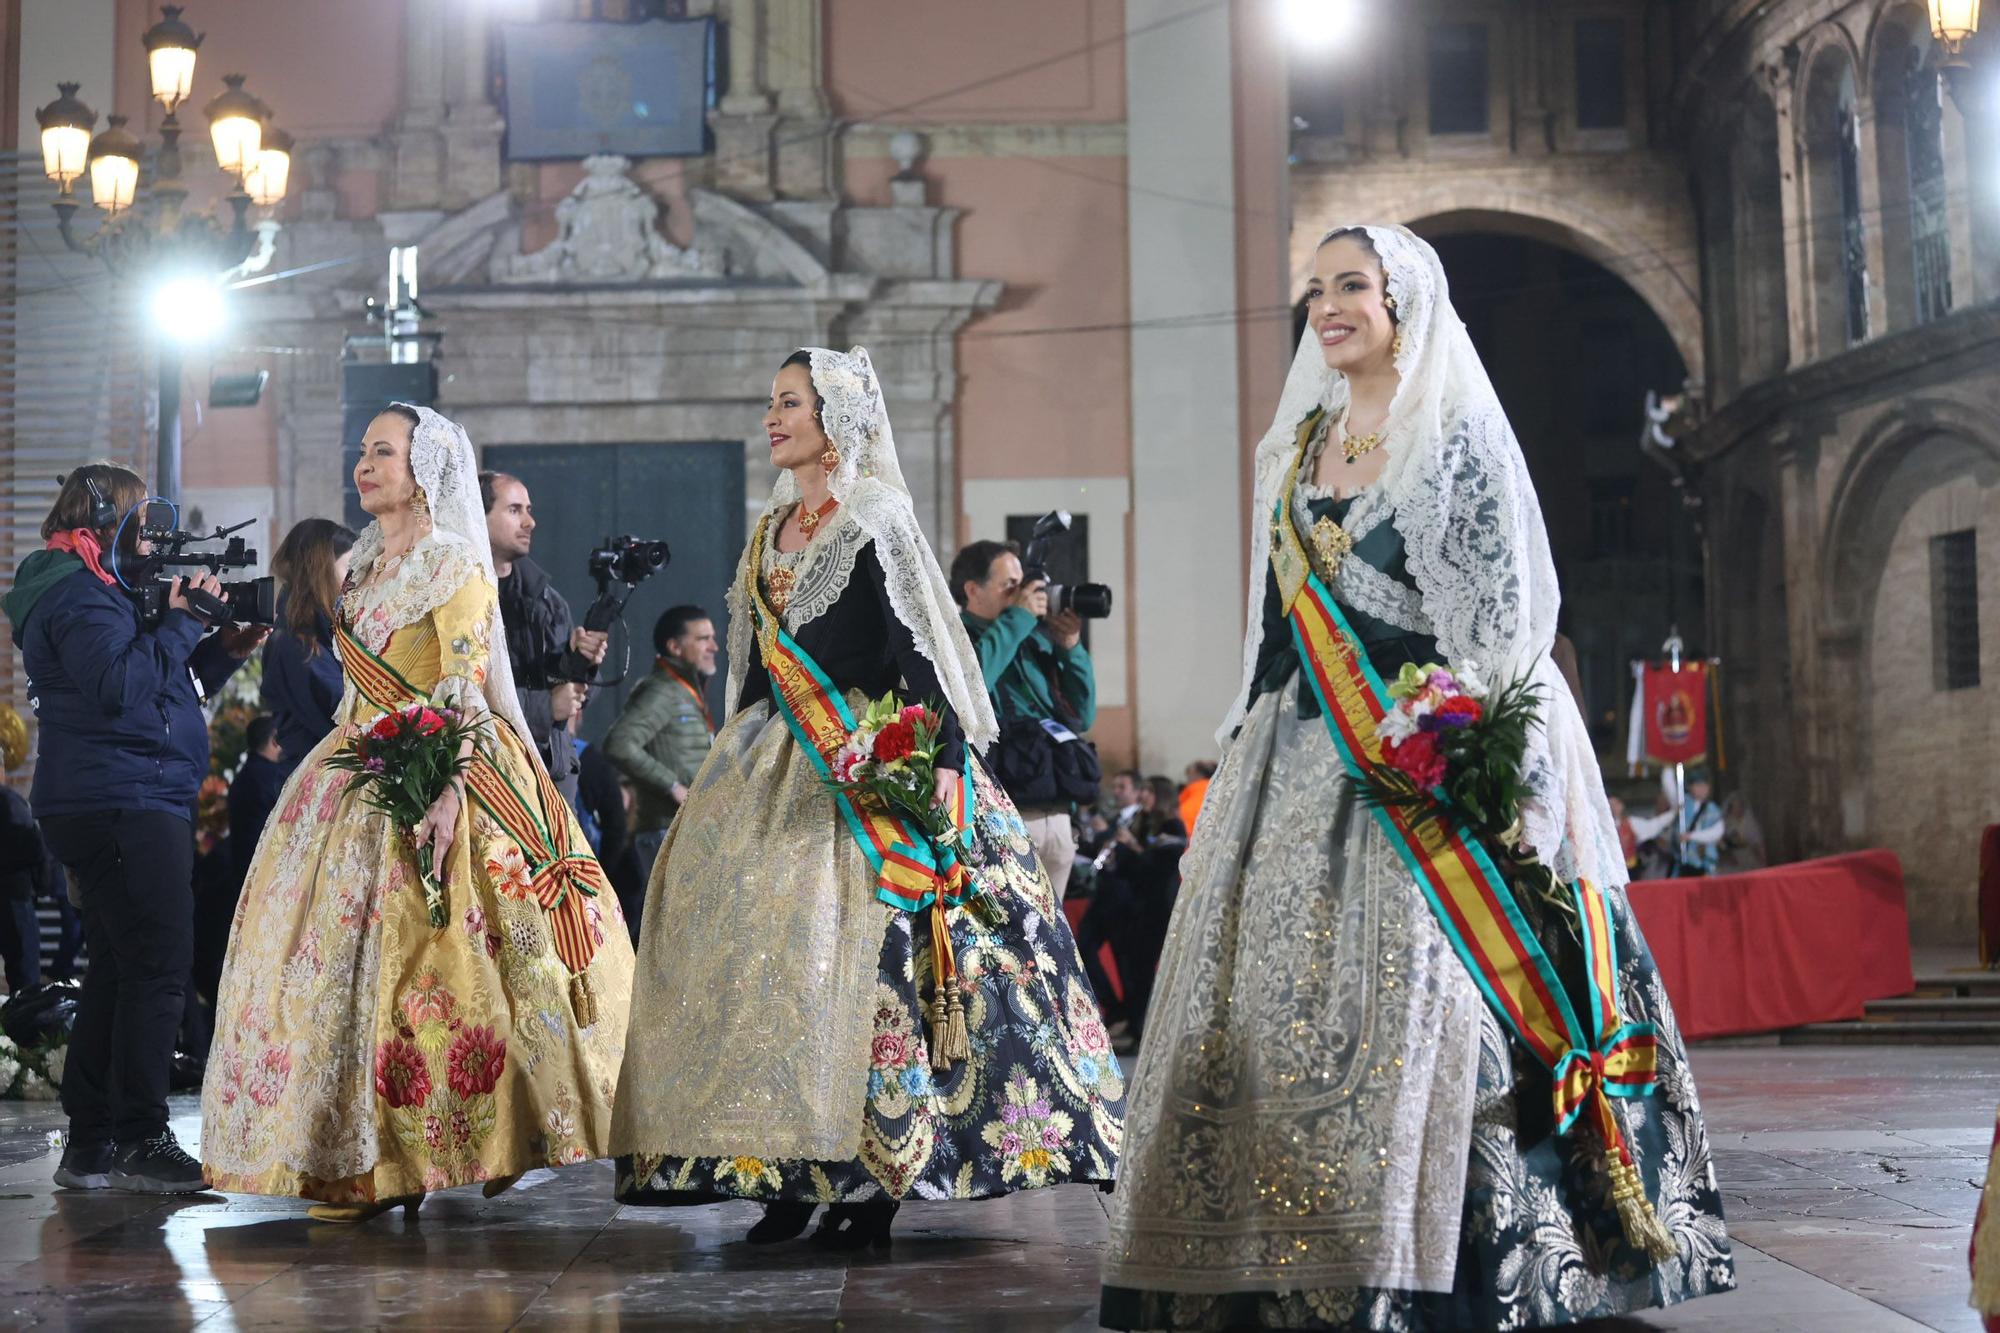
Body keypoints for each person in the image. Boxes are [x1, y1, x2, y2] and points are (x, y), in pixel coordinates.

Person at [1101, 226, 1732, 1329]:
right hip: (1291, 764)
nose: (1328, 306)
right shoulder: (1294, 447)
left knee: (1432, 1013)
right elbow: (1273, 621)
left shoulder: (1451, 442)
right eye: (1316, 290)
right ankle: (1253, 1256)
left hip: (1419, 772)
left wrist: (1477, 759)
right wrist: (1243, 739)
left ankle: (1429, 1260)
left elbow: (1497, 630)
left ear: (1405, 304)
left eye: (1353, 286)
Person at [610, 347, 1124, 1249]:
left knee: (868, 967)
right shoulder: (770, 532)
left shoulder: (876, 519)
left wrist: (943, 764)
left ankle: (871, 1174)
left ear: (837, 419)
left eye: (792, 404)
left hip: (863, 760)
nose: (773, 419)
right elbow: (754, 673)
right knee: (764, 973)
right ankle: (780, 1172)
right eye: (771, 403)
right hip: (768, 765)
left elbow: (922, 658)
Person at [199, 404, 635, 1221]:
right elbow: (359, 689)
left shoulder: (454, 565)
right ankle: (346, 1159)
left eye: (384, 453)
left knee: (442, 970)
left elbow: (464, 688)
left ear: (424, 466)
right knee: (328, 974)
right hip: (348, 770)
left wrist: (446, 792)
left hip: (441, 765)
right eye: (362, 452)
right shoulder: (360, 567)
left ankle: (465, 1143)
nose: (366, 466)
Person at [2, 464, 267, 1193]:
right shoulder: (74, 592)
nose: (151, 536)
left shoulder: (98, 589)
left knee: (122, 969)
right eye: (140, 519)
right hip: (120, 799)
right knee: (159, 962)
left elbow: (160, 687)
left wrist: (220, 651)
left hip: (132, 791)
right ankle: (141, 1135)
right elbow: (118, 687)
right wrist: (182, 619)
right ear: (98, 516)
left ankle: (91, 1142)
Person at [952, 539, 1099, 904]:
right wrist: (1017, 620)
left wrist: (1069, 646)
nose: (1024, 594)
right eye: (1009, 585)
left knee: (1057, 949)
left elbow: (1082, 714)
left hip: (1058, 814)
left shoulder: (1032, 639)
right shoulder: (957, 638)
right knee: (1014, 944)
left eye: (1024, 584)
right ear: (973, 590)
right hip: (1002, 817)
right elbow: (970, 687)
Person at [482, 471, 608, 806]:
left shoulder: (547, 600)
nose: (530, 522)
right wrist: (546, 706)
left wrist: (582, 664)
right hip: (492, 778)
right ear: (478, 516)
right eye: (514, 510)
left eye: (529, 509)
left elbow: (579, 697)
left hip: (552, 778)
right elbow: (464, 695)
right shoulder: (463, 600)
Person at [603, 605, 718, 876]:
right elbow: (619, 743)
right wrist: (673, 786)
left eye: (712, 637)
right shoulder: (663, 691)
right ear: (675, 647)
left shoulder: (683, 690)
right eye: (703, 639)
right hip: (666, 832)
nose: (714, 646)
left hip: (682, 829)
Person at [261, 518, 357, 776]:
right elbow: (342, 713)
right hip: (315, 779)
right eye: (349, 567)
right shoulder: (298, 645)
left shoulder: (319, 634)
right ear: (322, 571)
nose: (355, 578)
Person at [0, 703, 50, 994]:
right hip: (15, 895)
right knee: (25, 978)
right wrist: (41, 886)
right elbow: (34, 847)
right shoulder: (12, 803)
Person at [1671, 769, 1724, 877]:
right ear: (1690, 787)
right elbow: (1669, 787)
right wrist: (1667, 766)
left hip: (1706, 863)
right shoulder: (1682, 802)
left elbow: (1717, 832)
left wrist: (1691, 836)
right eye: (1698, 785)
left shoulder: (1713, 809)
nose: (1702, 789)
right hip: (1684, 862)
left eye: (1705, 786)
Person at [1719, 789, 1767, 874]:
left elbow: (1758, 843)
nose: (1737, 809)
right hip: (1732, 859)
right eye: (1735, 807)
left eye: (1739, 806)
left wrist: (1762, 860)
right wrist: (1727, 854)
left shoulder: (1750, 822)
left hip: (1749, 857)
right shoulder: (1727, 823)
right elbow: (1721, 842)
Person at [1177, 760, 1215, 835]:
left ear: (1197, 775)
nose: (1187, 781)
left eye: (1188, 776)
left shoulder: (1187, 797)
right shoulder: (1217, 792)